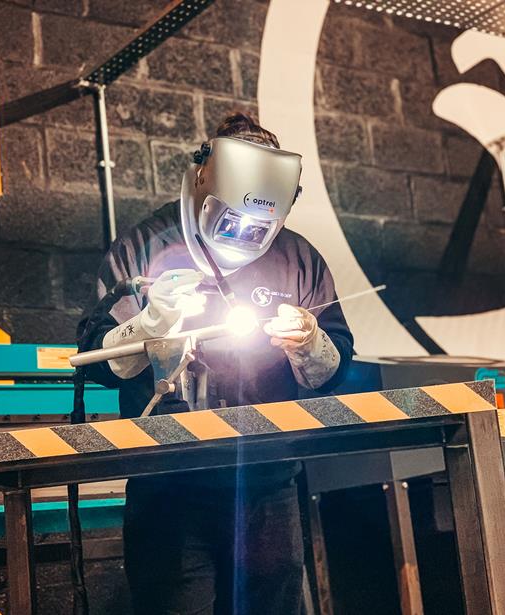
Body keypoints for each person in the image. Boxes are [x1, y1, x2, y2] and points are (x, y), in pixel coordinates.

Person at [79, 112, 354, 615]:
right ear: (203, 187)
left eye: (261, 228)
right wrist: (149, 324)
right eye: (231, 220)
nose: (244, 236)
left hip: (266, 484)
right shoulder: (146, 246)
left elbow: (334, 367)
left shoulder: (299, 259)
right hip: (169, 484)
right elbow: (98, 361)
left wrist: (309, 341)